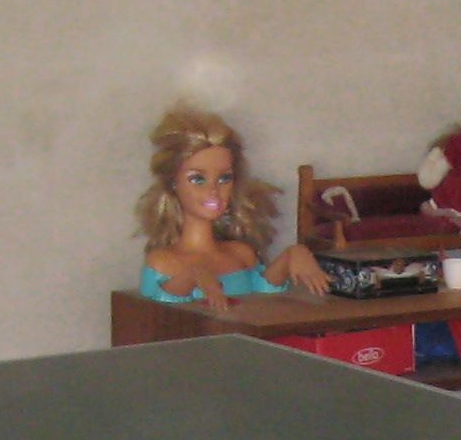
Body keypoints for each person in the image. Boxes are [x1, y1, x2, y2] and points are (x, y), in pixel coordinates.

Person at [136, 104, 328, 309]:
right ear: (174, 182)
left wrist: (294, 254)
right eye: (197, 179)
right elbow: (158, 309)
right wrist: (191, 275)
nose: (213, 190)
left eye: (224, 178)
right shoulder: (163, 262)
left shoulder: (240, 254)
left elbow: (264, 294)